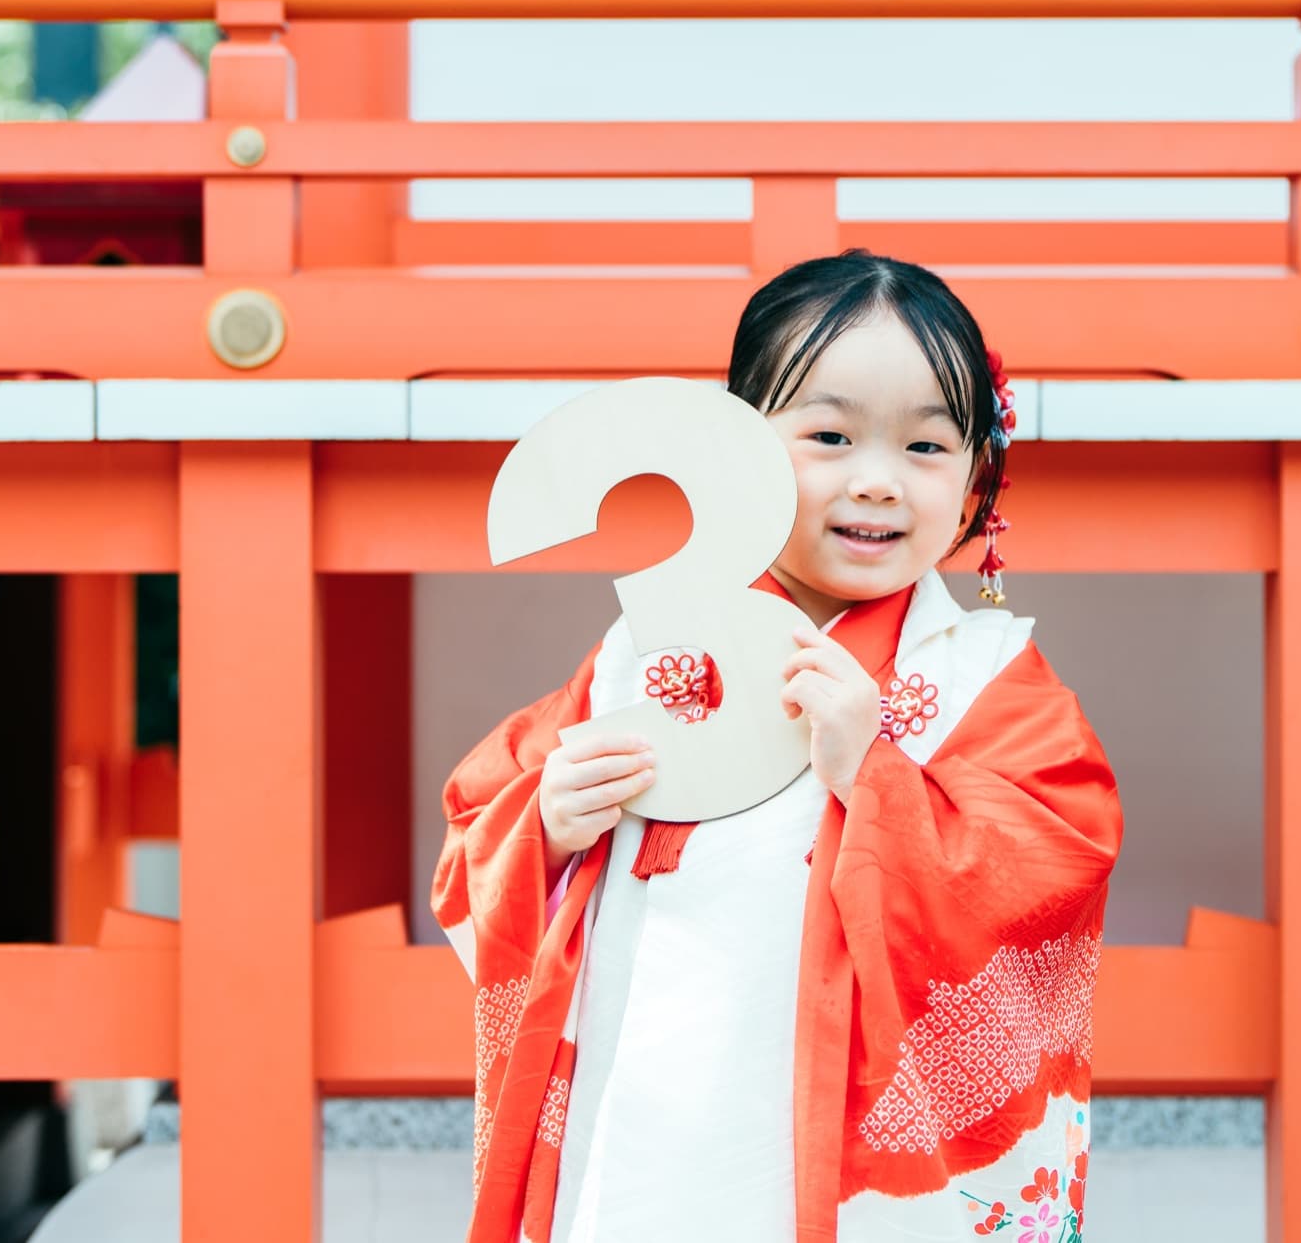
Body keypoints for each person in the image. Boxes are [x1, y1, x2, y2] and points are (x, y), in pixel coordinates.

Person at [432, 250, 1123, 1243]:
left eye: (925, 448)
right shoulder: (649, 649)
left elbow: (1054, 860)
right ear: (736, 450)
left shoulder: (983, 679)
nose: (876, 483)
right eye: (829, 435)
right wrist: (542, 823)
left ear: (978, 475)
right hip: (645, 1096)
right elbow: (480, 816)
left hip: (835, 1122)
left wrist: (876, 779)